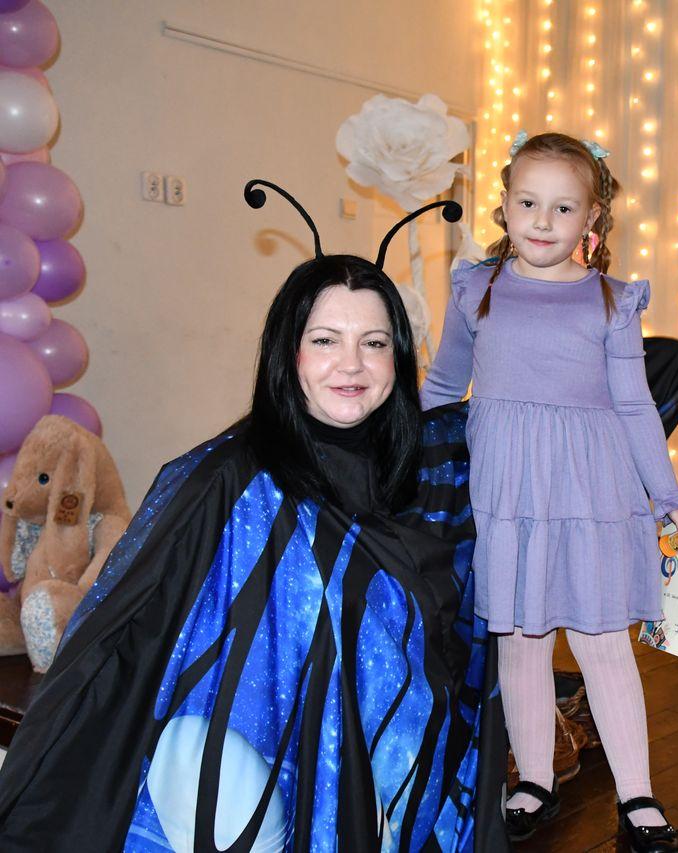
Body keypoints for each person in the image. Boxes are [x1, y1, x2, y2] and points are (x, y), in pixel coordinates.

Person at [0, 182, 508, 852]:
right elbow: (130, 631)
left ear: (399, 356)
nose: (351, 364)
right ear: (288, 352)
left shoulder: (428, 471)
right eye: (325, 340)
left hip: (390, 790)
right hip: (250, 785)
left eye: (375, 342)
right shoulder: (227, 479)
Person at [421, 131, 678, 852]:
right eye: (528, 203)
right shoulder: (476, 289)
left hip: (590, 492)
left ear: (592, 219)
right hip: (506, 492)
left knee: (602, 641)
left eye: (563, 207)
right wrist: (395, 454)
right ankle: (535, 778)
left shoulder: (610, 301)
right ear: (504, 205)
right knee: (520, 639)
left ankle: (637, 794)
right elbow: (445, 384)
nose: (542, 221)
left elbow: (634, 404)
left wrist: (668, 494)